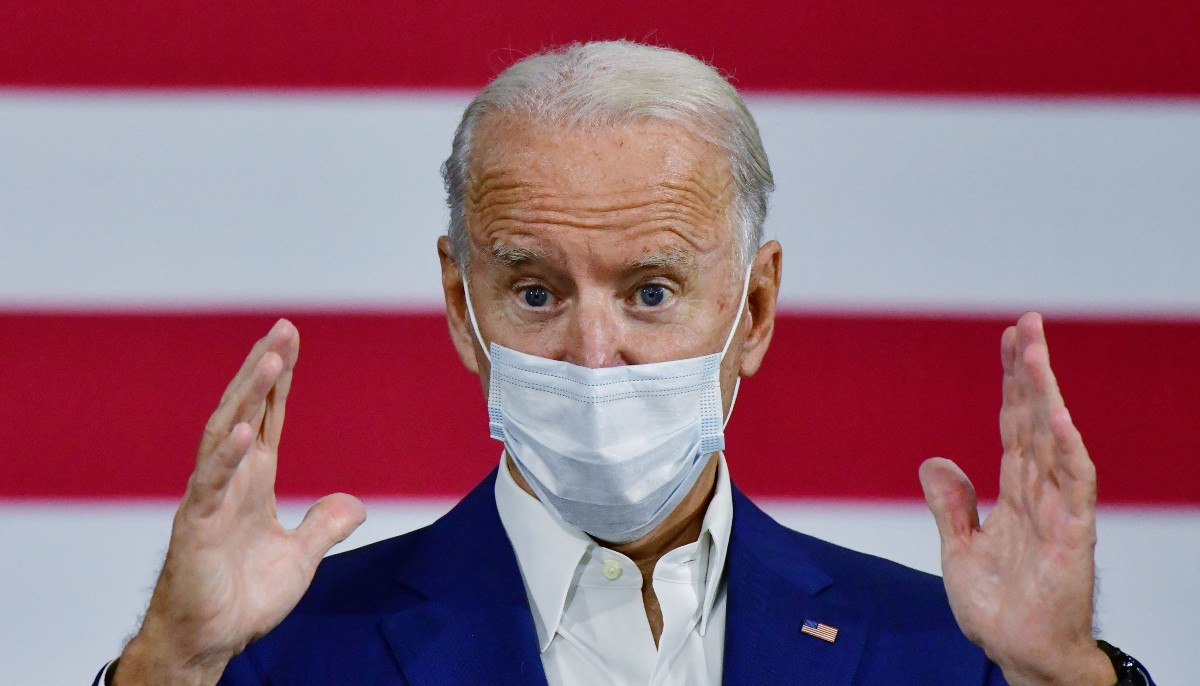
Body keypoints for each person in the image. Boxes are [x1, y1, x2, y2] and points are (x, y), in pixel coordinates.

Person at [95, 41, 1153, 685]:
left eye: (651, 290)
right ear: (464, 308)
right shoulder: (280, 653)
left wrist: (1066, 676)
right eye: (537, 291)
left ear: (756, 307)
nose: (595, 358)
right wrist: (169, 666)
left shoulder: (951, 652)